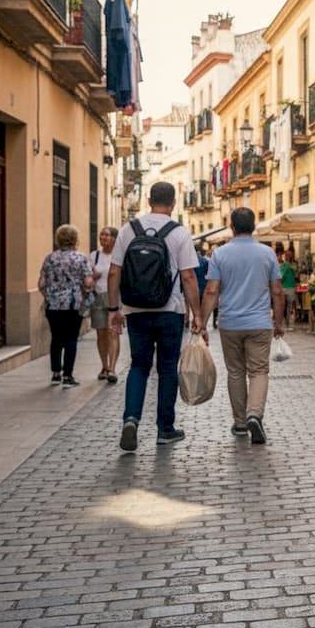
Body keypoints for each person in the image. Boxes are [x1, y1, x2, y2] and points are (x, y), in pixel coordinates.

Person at [107, 182, 201, 452]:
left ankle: (131, 419)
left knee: (139, 366)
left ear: (148, 200)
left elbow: (114, 272)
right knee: (167, 368)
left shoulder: (128, 229)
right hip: (170, 311)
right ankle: (165, 429)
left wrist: (114, 310)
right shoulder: (179, 233)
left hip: (136, 311)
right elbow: (189, 276)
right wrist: (197, 315)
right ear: (173, 203)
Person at [195, 207, 286, 444]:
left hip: (230, 323)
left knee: (235, 372)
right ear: (254, 226)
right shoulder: (267, 254)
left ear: (232, 227)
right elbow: (277, 291)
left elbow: (212, 290)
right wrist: (279, 322)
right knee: (258, 371)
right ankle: (254, 413)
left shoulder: (220, 254)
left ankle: (240, 422)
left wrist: (202, 323)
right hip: (259, 323)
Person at [38, 224, 94, 389]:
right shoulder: (81, 258)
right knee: (71, 338)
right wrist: (86, 291)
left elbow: (41, 283)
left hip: (53, 305)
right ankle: (68, 376)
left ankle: (55, 373)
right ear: (75, 239)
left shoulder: (50, 258)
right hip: (73, 304)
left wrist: (50, 296)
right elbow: (88, 282)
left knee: (56, 337)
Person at [88, 226, 120, 383]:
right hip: (98, 297)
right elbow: (87, 278)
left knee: (113, 332)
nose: (103, 237)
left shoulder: (119, 256)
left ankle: (113, 368)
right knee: (101, 334)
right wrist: (93, 277)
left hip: (115, 297)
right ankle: (104, 366)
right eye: (101, 234)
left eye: (107, 235)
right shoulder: (94, 256)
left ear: (114, 238)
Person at [279, 249, 298, 331]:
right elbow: (296, 275)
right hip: (289, 288)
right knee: (289, 307)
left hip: (286, 287)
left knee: (285, 306)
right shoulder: (291, 266)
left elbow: (281, 276)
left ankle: (287, 324)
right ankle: (288, 324)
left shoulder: (284, 266)